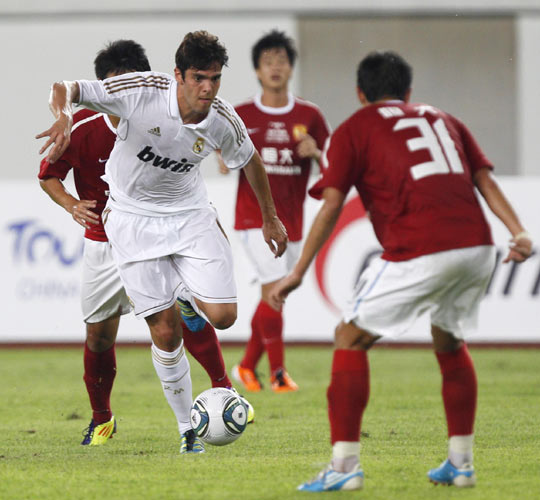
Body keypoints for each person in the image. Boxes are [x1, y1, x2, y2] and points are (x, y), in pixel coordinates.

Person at [270, 51, 533, 491]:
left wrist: (298, 271)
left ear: (360, 93)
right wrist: (519, 231)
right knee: (449, 339)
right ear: (408, 92)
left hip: (422, 246)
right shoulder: (446, 119)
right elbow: (483, 178)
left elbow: (331, 203)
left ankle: (343, 467)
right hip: (478, 246)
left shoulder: (357, 126)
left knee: (349, 337)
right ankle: (461, 462)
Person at [37, 31, 286, 454]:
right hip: (128, 224)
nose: (207, 88)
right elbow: (65, 91)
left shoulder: (221, 118)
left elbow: (251, 160)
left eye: (215, 78)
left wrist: (271, 217)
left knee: (224, 316)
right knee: (146, 334)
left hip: (189, 217)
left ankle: (189, 303)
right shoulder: (131, 97)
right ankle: (178, 429)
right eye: (198, 78)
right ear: (178, 76)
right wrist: (62, 116)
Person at [219, 30, 330, 393]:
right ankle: (278, 373)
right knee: (275, 289)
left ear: (291, 68)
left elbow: (332, 170)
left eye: (282, 61)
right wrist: (220, 156)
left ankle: (248, 366)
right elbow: (219, 151)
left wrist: (316, 154)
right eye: (268, 62)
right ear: (257, 70)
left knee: (276, 294)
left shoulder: (310, 115)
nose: (276, 67)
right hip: (255, 219)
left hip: (294, 221)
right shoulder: (241, 114)